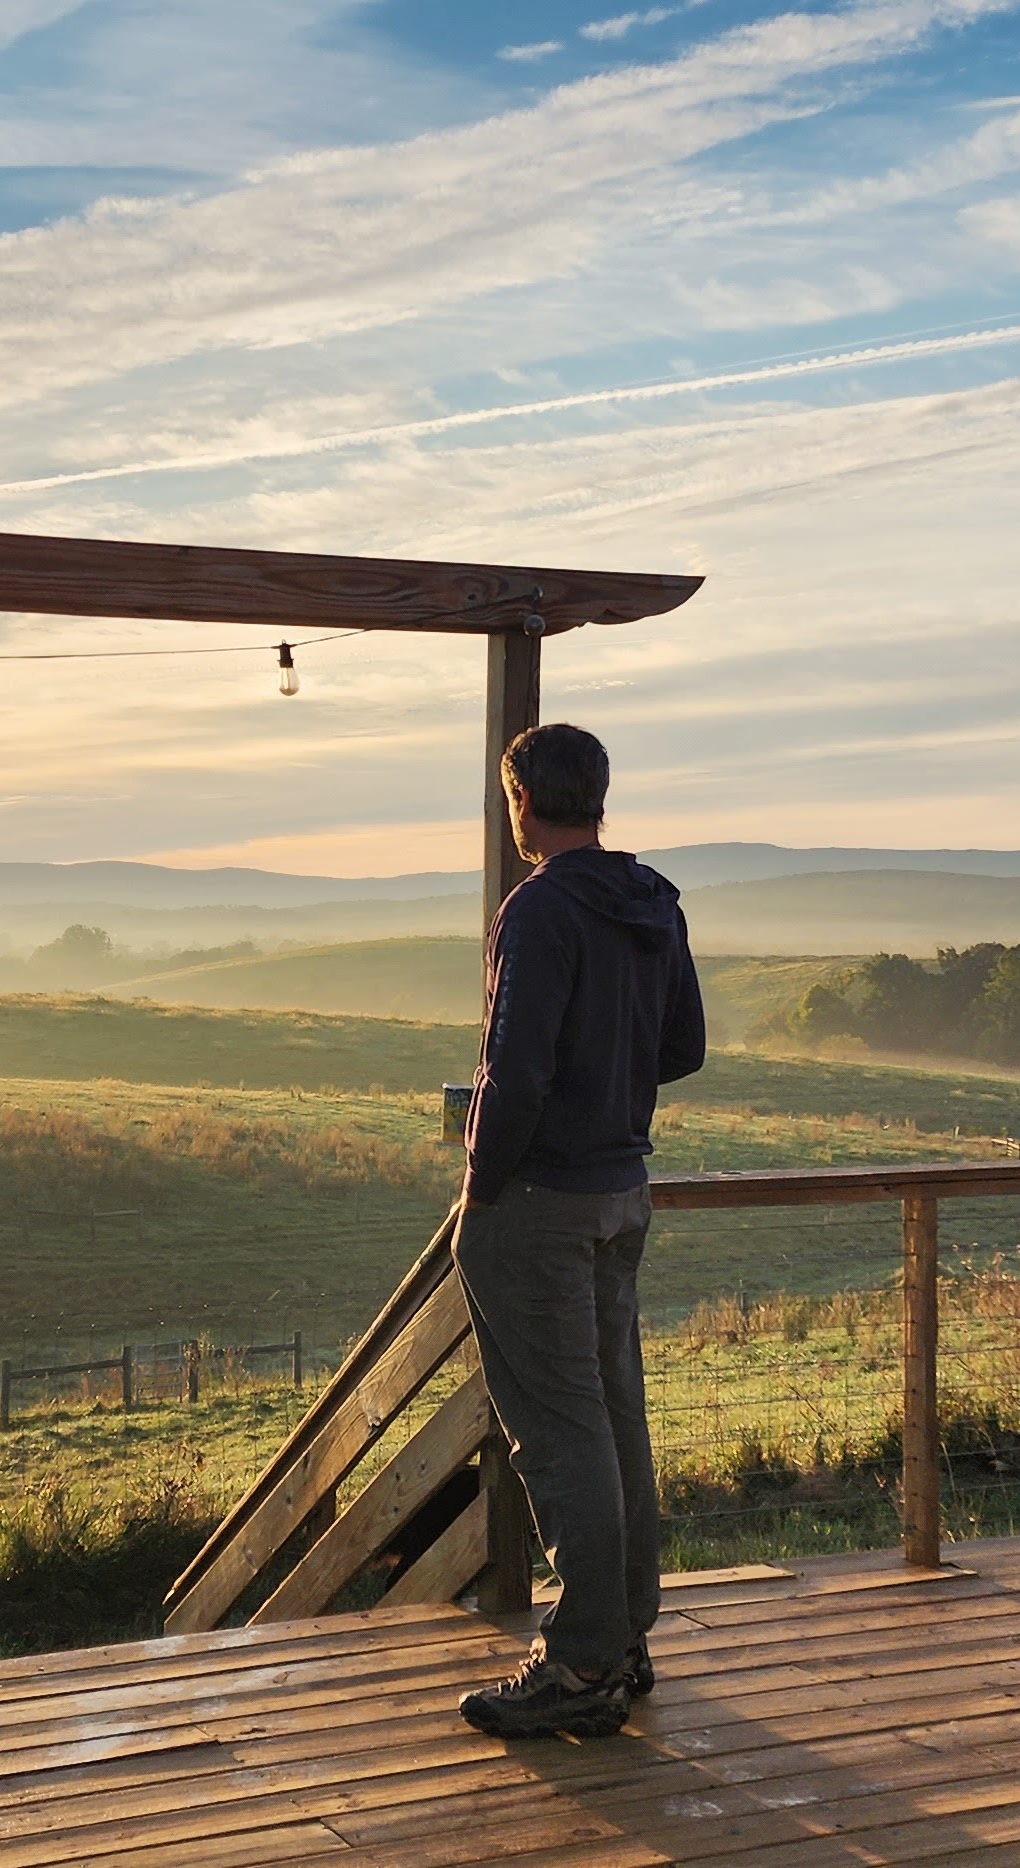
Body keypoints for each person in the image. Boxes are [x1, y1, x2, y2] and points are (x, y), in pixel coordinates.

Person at [453, 722, 708, 1740]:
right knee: (610, 1414)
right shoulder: (651, 901)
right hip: (620, 1191)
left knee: (559, 1432)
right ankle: (622, 1634)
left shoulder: (538, 909)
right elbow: (682, 1046)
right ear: (596, 795)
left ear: (520, 798)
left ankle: (584, 1664)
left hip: (540, 1200)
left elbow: (511, 1071)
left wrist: (481, 1184)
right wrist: (611, 1079)